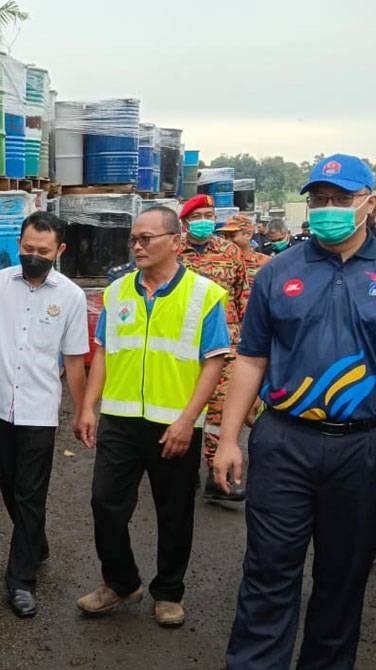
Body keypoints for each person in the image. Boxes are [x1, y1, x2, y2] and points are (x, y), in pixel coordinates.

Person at [215, 154, 376, 669]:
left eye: (341, 199)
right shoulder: (278, 271)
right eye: (320, 199)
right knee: (268, 572)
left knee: (344, 578)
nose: (329, 208)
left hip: (363, 448)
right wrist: (227, 438)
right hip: (285, 442)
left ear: (368, 203)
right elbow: (251, 358)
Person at [74, 206, 228, 628]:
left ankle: (169, 592)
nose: (137, 246)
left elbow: (213, 361)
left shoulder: (204, 294)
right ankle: (121, 582)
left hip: (174, 423)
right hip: (121, 419)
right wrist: (89, 406)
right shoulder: (117, 290)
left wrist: (187, 420)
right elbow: (103, 351)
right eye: (134, 239)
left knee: (174, 512)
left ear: (174, 241)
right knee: (105, 504)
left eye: (147, 238)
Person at [0, 211, 90, 619]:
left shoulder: (71, 296)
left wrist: (83, 411)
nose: (33, 256)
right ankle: (34, 541)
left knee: (30, 493)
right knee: (5, 482)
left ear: (60, 250)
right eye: (26, 249)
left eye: (42, 251)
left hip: (39, 409)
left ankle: (21, 581)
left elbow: (75, 360)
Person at [177, 194, 249, 502]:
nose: (205, 220)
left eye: (209, 214)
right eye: (198, 215)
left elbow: (242, 294)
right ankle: (184, 466)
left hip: (226, 343)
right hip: (185, 341)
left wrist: (247, 338)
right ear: (185, 222)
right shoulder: (173, 251)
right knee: (185, 404)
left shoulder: (230, 251)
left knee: (220, 409)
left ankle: (216, 473)